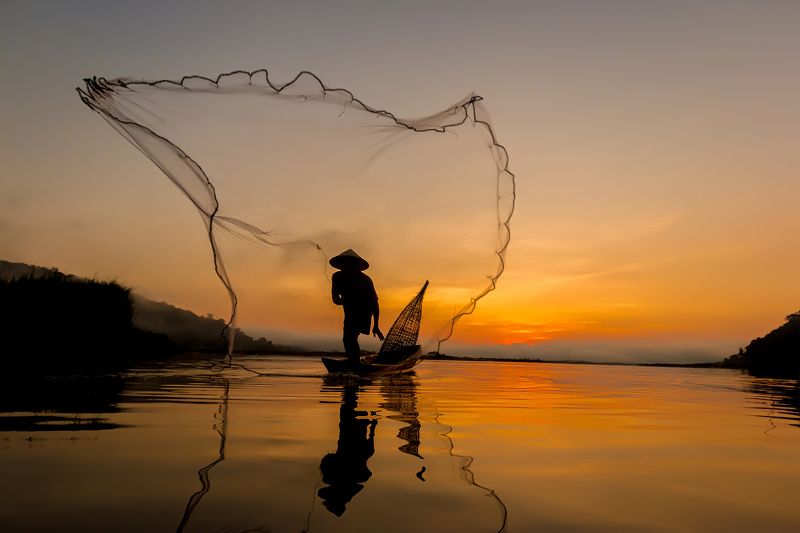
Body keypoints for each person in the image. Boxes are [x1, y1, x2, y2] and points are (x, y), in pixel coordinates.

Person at [329, 249, 384, 363]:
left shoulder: (366, 280)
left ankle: (355, 364)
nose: (348, 266)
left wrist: (376, 325)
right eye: (345, 264)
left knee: (350, 337)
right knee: (348, 339)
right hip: (349, 312)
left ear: (357, 266)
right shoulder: (337, 277)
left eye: (351, 264)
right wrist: (339, 301)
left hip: (364, 311)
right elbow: (334, 295)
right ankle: (354, 362)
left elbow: (374, 303)